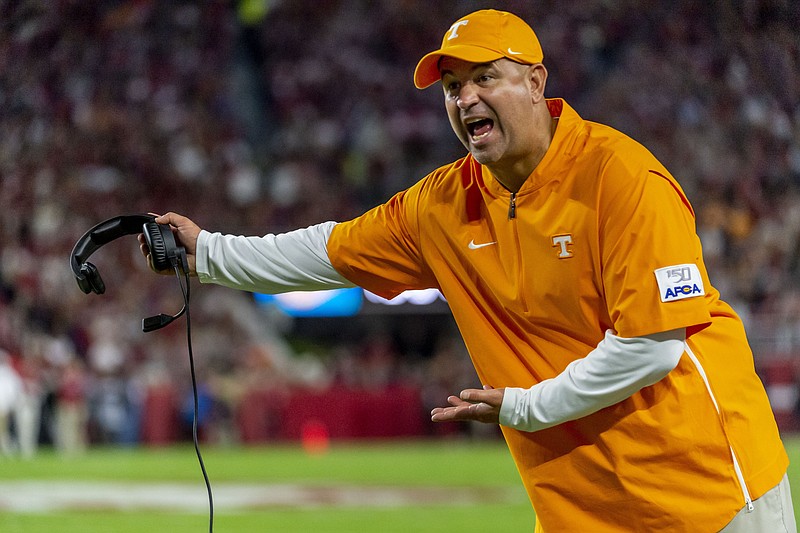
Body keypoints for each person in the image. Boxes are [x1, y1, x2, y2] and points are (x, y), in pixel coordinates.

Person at [140, 9, 795, 532]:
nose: (465, 97)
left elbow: (653, 346)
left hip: (709, 496)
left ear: (537, 83)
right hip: (583, 509)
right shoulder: (443, 203)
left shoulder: (624, 180)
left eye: (485, 77)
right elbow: (327, 250)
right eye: (453, 87)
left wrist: (525, 406)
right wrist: (208, 252)